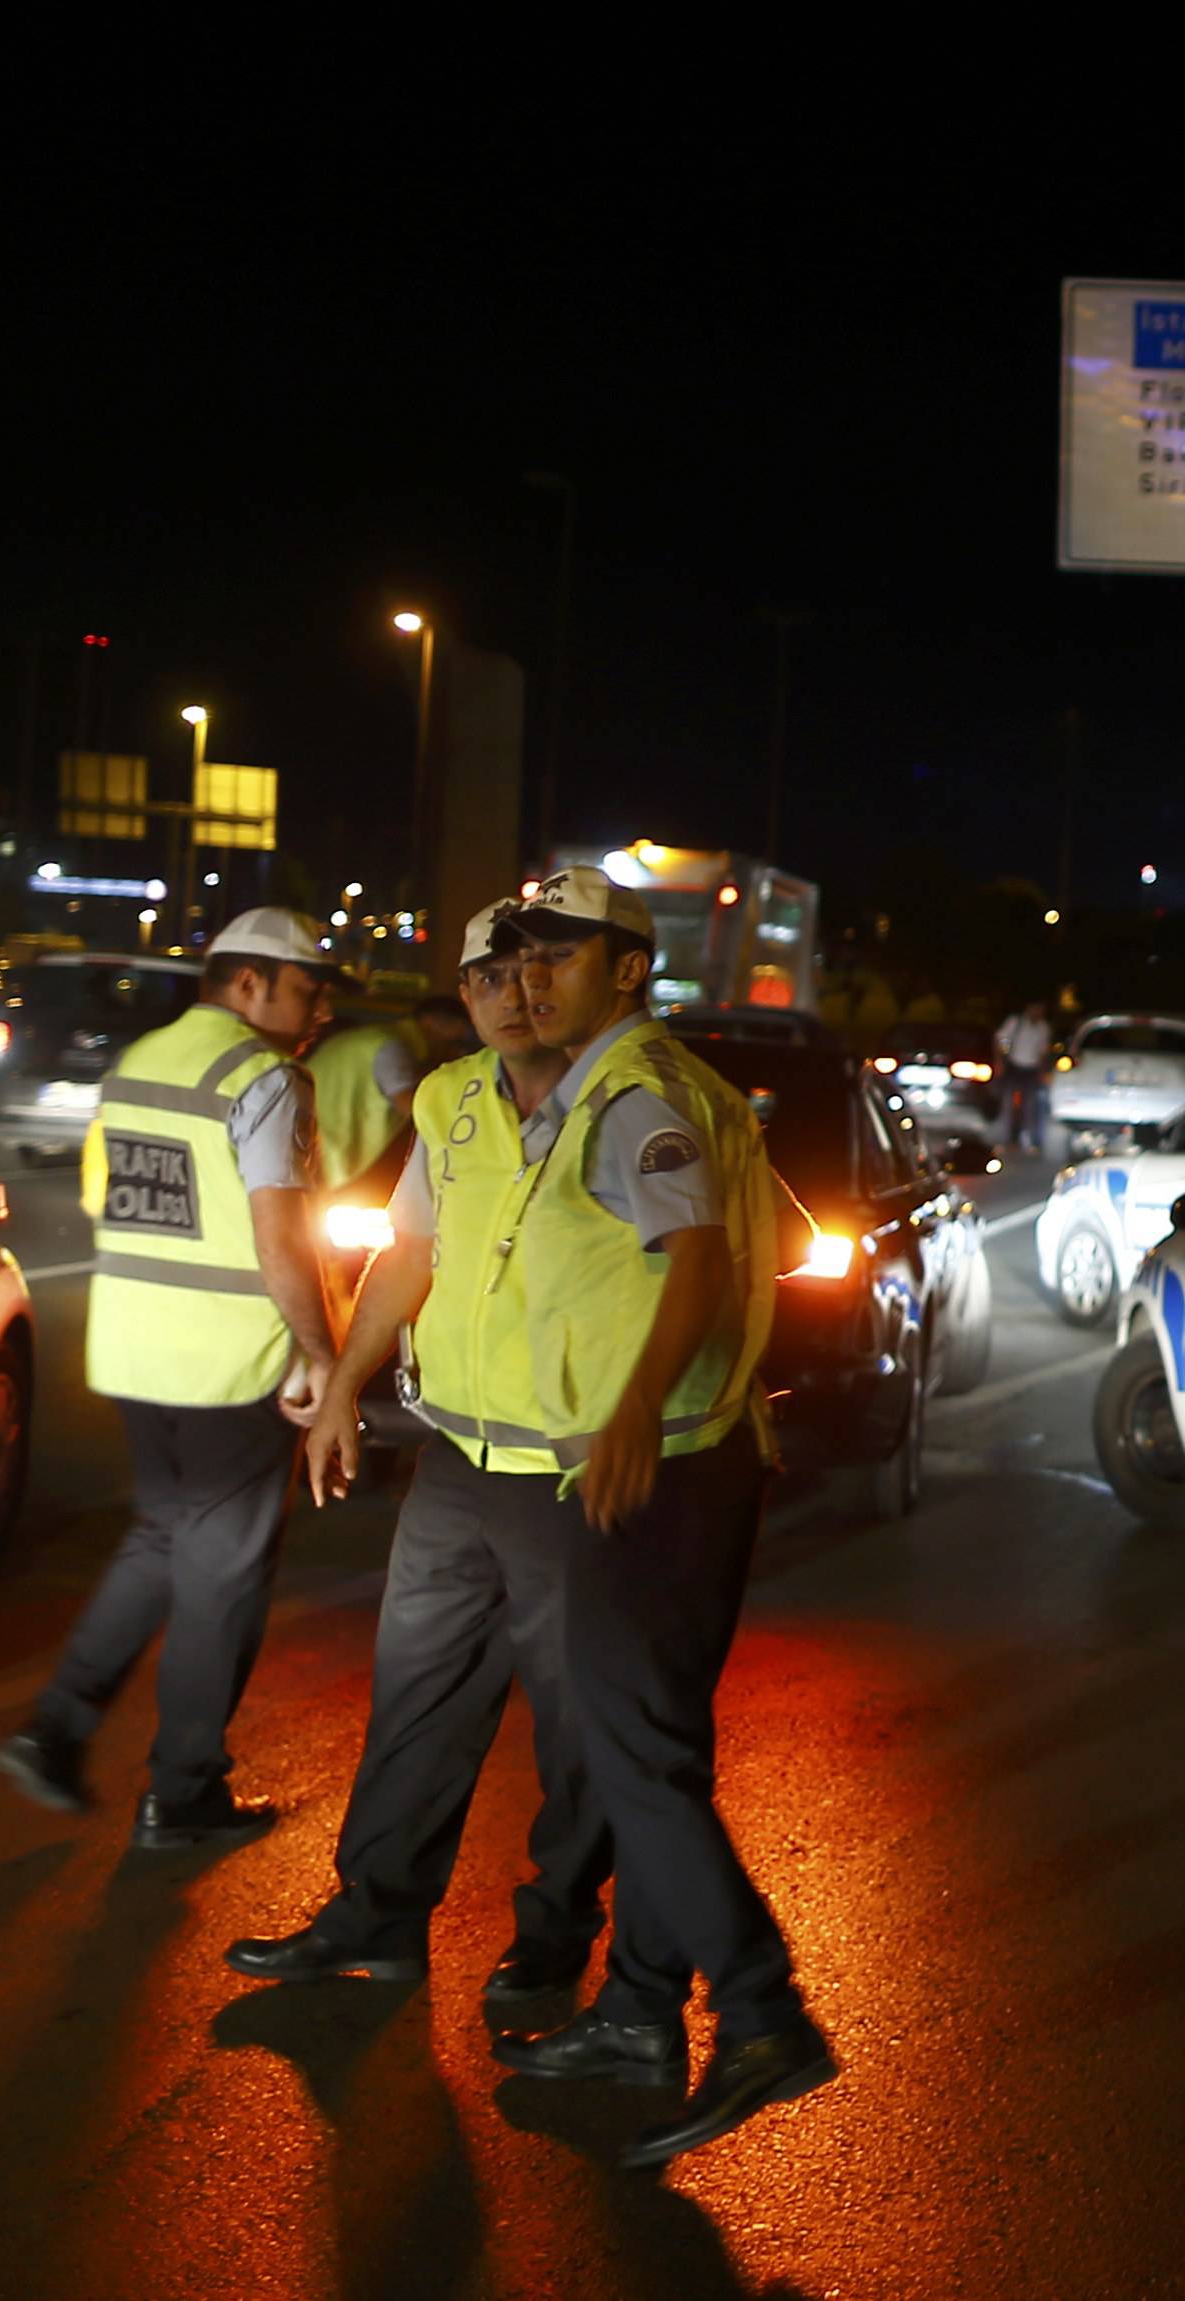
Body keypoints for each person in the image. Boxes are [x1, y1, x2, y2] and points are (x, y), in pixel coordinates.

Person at [484, 865, 835, 2171]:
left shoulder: (632, 1098)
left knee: (632, 1755)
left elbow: (696, 1255)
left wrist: (633, 1400)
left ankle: (759, 2013)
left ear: (627, 969)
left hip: (653, 1469)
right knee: (655, 1753)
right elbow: (783, 1240)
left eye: (560, 956)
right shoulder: (664, 1091)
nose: (531, 977)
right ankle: (638, 2012)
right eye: (520, 957)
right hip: (699, 1459)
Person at [222, 900, 611, 1991]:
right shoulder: (450, 1098)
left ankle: (555, 1932)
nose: (509, 999)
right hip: (459, 1456)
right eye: (485, 980)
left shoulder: (635, 1100)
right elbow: (410, 1252)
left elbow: (736, 1254)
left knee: (579, 1718)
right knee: (418, 1693)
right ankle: (376, 1919)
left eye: (531, 976)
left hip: (572, 1468)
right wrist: (346, 1383)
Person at [0, 908, 341, 1850]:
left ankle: (54, 1726)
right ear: (250, 982)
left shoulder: (139, 1063)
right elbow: (279, 1236)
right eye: (308, 988)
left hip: (137, 1350)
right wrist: (324, 1352)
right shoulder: (262, 1078)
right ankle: (183, 1792)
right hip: (229, 1362)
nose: (318, 1012)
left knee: (160, 1538)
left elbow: (112, 1196)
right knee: (222, 1577)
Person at [306, 1013, 424, 1195]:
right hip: (331, 1155)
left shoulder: (363, 1040)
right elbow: (416, 1111)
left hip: (311, 1147)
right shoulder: (390, 1048)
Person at [994, 998, 1052, 1153]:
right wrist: (999, 1062)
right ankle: (1005, 1141)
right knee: (1008, 1105)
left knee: (1030, 1106)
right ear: (1029, 1009)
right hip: (1014, 1067)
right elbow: (999, 1040)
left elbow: (1043, 1052)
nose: (1038, 1013)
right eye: (1036, 1009)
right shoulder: (1016, 1022)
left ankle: (1031, 1142)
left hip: (1031, 1070)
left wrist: (1042, 1072)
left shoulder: (1043, 1027)